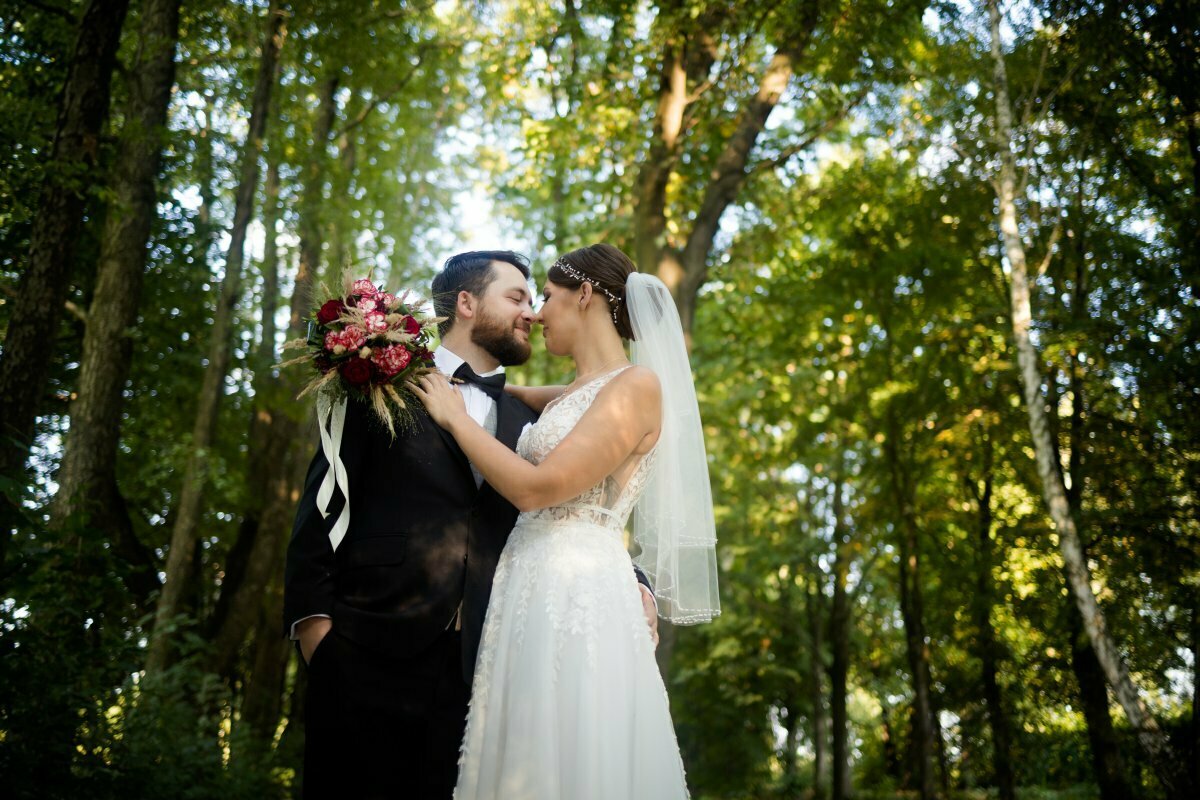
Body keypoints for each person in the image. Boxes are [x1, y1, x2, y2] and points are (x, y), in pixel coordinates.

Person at [283, 250, 659, 799]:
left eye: (536, 299)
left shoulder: (535, 421)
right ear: (465, 302)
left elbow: (573, 506)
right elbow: (324, 503)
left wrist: (635, 584)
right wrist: (316, 633)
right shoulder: (381, 386)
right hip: (367, 652)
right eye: (517, 297)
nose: (531, 312)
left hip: (485, 667)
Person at [413, 242, 720, 800]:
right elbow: (499, 391)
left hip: (576, 591)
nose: (536, 314)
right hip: (521, 588)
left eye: (547, 296)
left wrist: (457, 422)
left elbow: (537, 489)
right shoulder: (573, 394)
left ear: (584, 295)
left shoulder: (638, 387)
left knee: (573, 744)